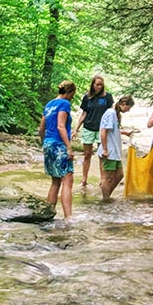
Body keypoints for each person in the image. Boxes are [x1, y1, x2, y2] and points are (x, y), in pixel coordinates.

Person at [38, 80, 78, 221]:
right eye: (72, 94)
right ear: (69, 92)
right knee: (67, 180)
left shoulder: (49, 105)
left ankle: (49, 214)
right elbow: (61, 126)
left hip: (48, 143)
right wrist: (68, 147)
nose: (72, 97)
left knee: (55, 181)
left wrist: (45, 144)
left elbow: (41, 128)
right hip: (59, 144)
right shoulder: (64, 104)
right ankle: (68, 218)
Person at [72, 76, 114, 188]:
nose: (99, 87)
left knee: (102, 155)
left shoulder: (108, 97)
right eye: (97, 84)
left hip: (102, 129)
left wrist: (116, 126)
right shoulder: (87, 97)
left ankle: (103, 179)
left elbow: (112, 113)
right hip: (88, 127)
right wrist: (76, 129)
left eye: (101, 84)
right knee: (87, 154)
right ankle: (84, 179)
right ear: (93, 85)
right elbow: (83, 114)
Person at [96, 95, 135, 202]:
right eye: (129, 107)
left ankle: (106, 197)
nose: (129, 110)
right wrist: (104, 149)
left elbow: (113, 130)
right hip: (109, 151)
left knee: (119, 175)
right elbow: (104, 131)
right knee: (107, 178)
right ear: (123, 104)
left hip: (115, 152)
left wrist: (125, 132)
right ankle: (105, 199)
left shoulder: (115, 114)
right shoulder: (111, 113)